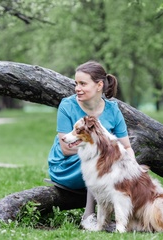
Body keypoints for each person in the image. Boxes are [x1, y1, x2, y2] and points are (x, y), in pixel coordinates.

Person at [48, 60, 135, 230]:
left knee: (112, 163)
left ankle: (122, 216)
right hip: (65, 166)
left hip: (98, 161)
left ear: (99, 85)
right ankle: (88, 216)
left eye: (82, 84)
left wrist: (132, 170)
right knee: (100, 161)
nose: (77, 88)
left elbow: (127, 147)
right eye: (76, 83)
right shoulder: (67, 105)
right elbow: (66, 149)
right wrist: (103, 152)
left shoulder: (113, 109)